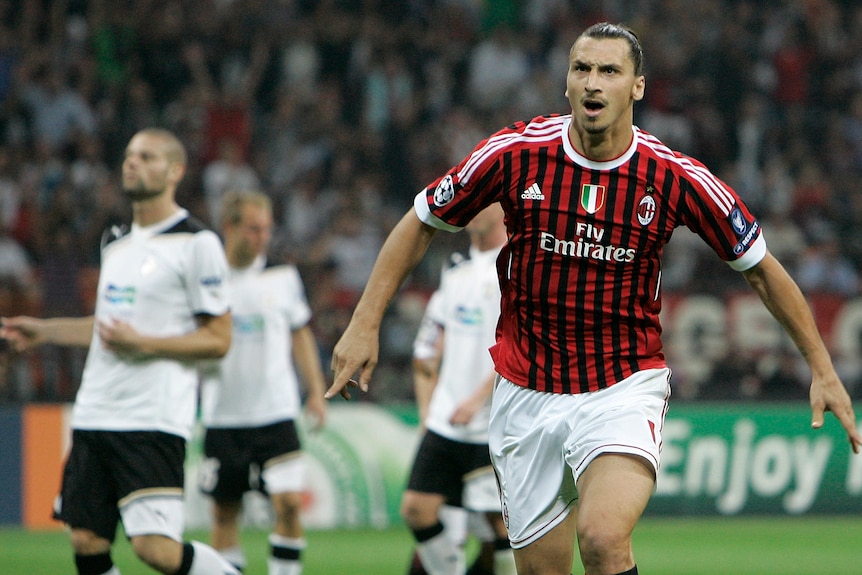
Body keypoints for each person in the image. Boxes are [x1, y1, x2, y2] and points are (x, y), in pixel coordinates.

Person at [325, 22, 862, 575]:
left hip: (621, 386)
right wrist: (365, 322)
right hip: (525, 392)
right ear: (566, 82)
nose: (593, 83)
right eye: (582, 69)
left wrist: (821, 367)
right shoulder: (516, 153)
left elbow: (763, 272)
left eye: (609, 71)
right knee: (541, 570)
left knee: (603, 540)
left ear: (638, 87)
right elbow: (421, 221)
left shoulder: (674, 176)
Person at [0, 128, 241, 575]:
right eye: (129, 155)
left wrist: (144, 344)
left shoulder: (197, 243)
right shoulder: (116, 243)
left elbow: (218, 339)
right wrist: (46, 331)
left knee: (156, 550)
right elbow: (108, 328)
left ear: (175, 171)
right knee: (86, 541)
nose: (132, 162)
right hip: (94, 414)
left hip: (149, 418)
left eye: (147, 156)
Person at [198, 189, 328, 575]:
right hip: (224, 415)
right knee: (225, 512)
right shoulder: (207, 280)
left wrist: (316, 392)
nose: (261, 238)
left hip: (276, 410)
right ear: (229, 228)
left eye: (266, 230)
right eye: (253, 230)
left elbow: (301, 334)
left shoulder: (282, 277)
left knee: (288, 503)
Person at [401, 203, 515, 575]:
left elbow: (520, 347)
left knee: (501, 525)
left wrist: (478, 399)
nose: (475, 208)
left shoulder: (515, 269)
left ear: (504, 210)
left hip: (493, 423)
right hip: (446, 422)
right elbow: (425, 354)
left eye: (486, 202)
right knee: (417, 509)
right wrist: (427, 412)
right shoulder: (454, 275)